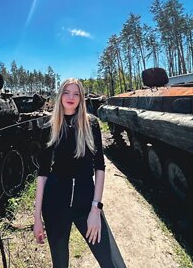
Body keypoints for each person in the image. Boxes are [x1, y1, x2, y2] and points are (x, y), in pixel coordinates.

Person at [33, 78, 126, 268]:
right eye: (67, 92)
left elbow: (99, 167)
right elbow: (42, 174)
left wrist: (95, 209)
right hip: (55, 205)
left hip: (86, 203)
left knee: (112, 263)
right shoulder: (48, 127)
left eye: (76, 93)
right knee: (60, 264)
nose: (71, 97)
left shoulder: (90, 124)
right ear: (60, 96)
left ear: (81, 98)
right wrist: (36, 218)